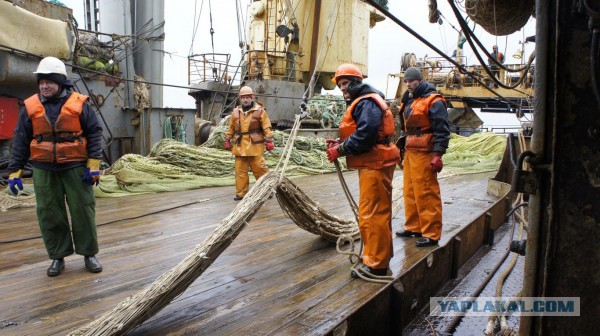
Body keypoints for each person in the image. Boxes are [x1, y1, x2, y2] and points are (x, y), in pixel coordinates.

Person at [7, 56, 104, 276]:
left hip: (76, 167)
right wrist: (15, 171)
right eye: (41, 82)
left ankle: (89, 254)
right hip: (43, 169)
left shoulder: (79, 104)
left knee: (83, 210)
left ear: (61, 81)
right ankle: (57, 257)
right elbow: (21, 139)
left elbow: (95, 133)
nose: (44, 86)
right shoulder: (31, 106)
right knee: (49, 213)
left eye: (49, 81)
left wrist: (94, 164)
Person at [326, 64, 400, 279]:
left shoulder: (366, 102)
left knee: (372, 214)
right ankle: (378, 256)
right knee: (377, 213)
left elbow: (366, 136)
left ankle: (376, 264)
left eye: (346, 84)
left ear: (356, 82)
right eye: (340, 86)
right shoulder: (366, 101)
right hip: (374, 163)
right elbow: (365, 132)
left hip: (374, 164)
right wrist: (341, 142)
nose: (343, 90)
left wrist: (339, 150)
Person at [395, 67, 450, 247]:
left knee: (426, 192)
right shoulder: (409, 100)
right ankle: (414, 227)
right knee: (410, 191)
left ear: (419, 80)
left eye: (411, 81)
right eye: (406, 81)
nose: (408, 84)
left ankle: (432, 233)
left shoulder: (434, 101)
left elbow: (442, 130)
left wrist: (438, 154)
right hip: (411, 151)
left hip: (426, 152)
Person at [224, 86, 274, 201]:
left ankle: (267, 191)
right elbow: (231, 128)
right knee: (240, 170)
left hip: (255, 145)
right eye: (243, 98)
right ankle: (241, 194)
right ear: (240, 99)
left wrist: (269, 140)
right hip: (240, 145)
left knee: (260, 169)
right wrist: (227, 139)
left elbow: (266, 127)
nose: (245, 100)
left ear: (252, 97)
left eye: (247, 97)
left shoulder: (260, 111)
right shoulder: (235, 112)